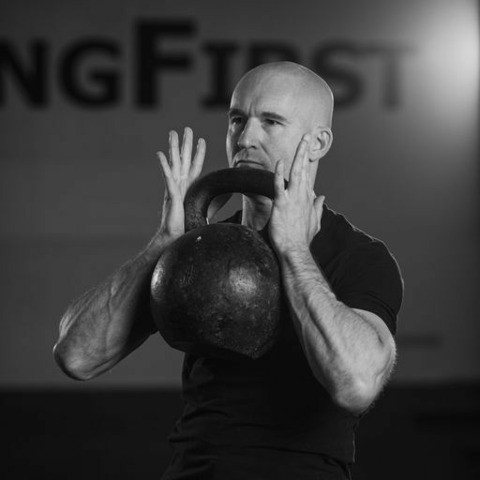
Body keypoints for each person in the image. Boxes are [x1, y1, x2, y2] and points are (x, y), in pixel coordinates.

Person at [54, 61, 403, 479]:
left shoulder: (358, 256)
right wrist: (164, 244)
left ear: (318, 143)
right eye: (237, 119)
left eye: (271, 122)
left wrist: (292, 250)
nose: (245, 138)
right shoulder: (201, 247)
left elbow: (356, 385)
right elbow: (77, 357)